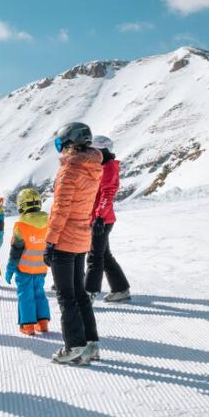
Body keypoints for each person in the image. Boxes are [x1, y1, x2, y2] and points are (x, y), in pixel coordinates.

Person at [43, 122, 103, 365]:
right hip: (81, 236)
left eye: (61, 144)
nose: (60, 150)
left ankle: (73, 346)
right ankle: (91, 345)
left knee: (66, 296)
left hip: (65, 238)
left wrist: (50, 241)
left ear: (69, 143)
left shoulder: (70, 169)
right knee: (79, 294)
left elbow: (60, 208)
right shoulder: (92, 166)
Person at [84, 136, 131, 303]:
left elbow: (107, 194)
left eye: (93, 150)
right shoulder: (102, 166)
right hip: (98, 218)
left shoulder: (109, 168)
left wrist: (99, 217)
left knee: (95, 256)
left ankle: (89, 293)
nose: (90, 154)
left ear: (102, 151)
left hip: (102, 220)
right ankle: (120, 289)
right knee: (104, 255)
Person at [5, 187, 51, 335]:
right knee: (39, 293)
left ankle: (28, 326)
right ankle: (42, 324)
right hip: (41, 268)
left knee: (25, 295)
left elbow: (16, 251)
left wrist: (10, 269)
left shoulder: (21, 225)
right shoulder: (49, 222)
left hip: (24, 269)